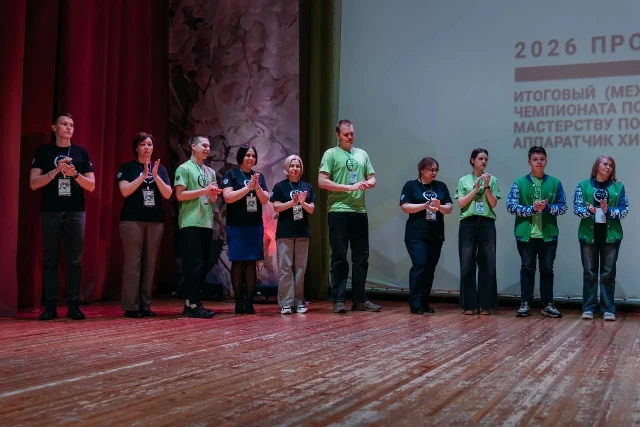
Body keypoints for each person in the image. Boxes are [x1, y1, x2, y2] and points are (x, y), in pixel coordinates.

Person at [29, 113, 96, 320]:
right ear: (54, 128)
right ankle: (50, 306)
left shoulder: (80, 153)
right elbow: (33, 183)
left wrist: (75, 174)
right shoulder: (43, 151)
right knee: (50, 259)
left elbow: (91, 185)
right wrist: (56, 171)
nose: (69, 128)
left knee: (75, 260)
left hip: (75, 211)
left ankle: (73, 305)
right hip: (50, 210)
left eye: (71, 125)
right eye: (64, 124)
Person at [318, 119, 382, 314]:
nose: (350, 137)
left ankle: (360, 300)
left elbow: (372, 178)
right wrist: (348, 187)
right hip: (339, 211)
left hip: (359, 211)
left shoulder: (362, 154)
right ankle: (338, 299)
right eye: (346, 134)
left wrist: (369, 183)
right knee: (339, 256)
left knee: (361, 257)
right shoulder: (331, 154)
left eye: (352, 133)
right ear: (338, 135)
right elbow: (322, 182)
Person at [506, 146, 567, 318]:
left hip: (548, 234)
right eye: (535, 159)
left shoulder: (555, 183)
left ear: (546, 161)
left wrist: (547, 208)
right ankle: (525, 303)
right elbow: (511, 206)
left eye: (542, 159)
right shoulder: (519, 183)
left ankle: (548, 304)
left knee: (547, 269)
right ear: (529, 162)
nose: (539, 162)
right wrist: (531, 209)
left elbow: (563, 207)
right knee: (527, 268)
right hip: (526, 234)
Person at [116, 132, 172, 318]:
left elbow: (167, 194)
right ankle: (131, 307)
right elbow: (125, 191)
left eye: (149, 144)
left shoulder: (160, 169)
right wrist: (143, 176)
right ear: (136, 148)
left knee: (150, 263)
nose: (147, 147)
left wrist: (155, 176)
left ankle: (145, 305)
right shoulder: (128, 167)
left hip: (155, 220)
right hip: (132, 220)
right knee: (133, 263)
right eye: (143, 144)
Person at [573, 156, 629, 321]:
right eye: (605, 164)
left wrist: (607, 211)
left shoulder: (618, 187)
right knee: (589, 273)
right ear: (597, 166)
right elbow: (577, 208)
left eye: (611, 165)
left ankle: (608, 309)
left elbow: (624, 209)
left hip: (611, 236)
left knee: (608, 274)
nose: (608, 167)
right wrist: (589, 211)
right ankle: (589, 308)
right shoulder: (582, 186)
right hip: (588, 235)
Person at [174, 135, 222, 318]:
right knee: (193, 264)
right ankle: (193, 303)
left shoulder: (210, 172)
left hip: (206, 222)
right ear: (193, 146)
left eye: (209, 146)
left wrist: (213, 193)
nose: (208, 149)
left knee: (203, 265)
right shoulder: (184, 168)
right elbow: (180, 195)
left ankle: (192, 303)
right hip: (190, 222)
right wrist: (204, 191)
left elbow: (212, 199)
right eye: (204, 145)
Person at [400, 157, 452, 314]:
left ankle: (424, 302)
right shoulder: (411, 185)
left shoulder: (441, 186)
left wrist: (439, 207)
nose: (434, 172)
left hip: (435, 234)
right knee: (420, 265)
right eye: (431, 169)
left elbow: (449, 208)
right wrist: (424, 206)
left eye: (436, 170)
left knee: (429, 269)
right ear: (422, 170)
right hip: (416, 234)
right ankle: (415, 303)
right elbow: (405, 207)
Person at [222, 144, 270, 314]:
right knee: (237, 262)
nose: (251, 158)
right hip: (236, 225)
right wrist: (247, 188)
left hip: (254, 226)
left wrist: (256, 187)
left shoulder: (259, 177)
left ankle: (249, 301)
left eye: (253, 156)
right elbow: (228, 197)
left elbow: (265, 200)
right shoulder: (231, 174)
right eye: (247, 155)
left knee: (251, 262)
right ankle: (238, 300)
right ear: (241, 157)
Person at [455, 148, 500, 315]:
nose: (484, 161)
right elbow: (461, 203)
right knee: (467, 263)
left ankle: (486, 304)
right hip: (468, 223)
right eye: (480, 158)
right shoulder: (464, 180)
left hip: (487, 223)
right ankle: (469, 304)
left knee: (488, 264)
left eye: (486, 159)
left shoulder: (492, 179)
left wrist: (486, 187)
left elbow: (493, 203)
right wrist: (475, 189)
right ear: (472, 160)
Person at [271, 155, 315, 314]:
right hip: (285, 232)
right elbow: (276, 207)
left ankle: (299, 302)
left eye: (297, 166)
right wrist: (292, 203)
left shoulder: (307, 187)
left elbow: (311, 209)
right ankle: (286, 303)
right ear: (286, 168)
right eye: (292, 166)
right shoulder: (280, 187)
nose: (295, 168)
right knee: (285, 268)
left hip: (302, 232)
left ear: (301, 169)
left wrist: (302, 202)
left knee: (300, 269)